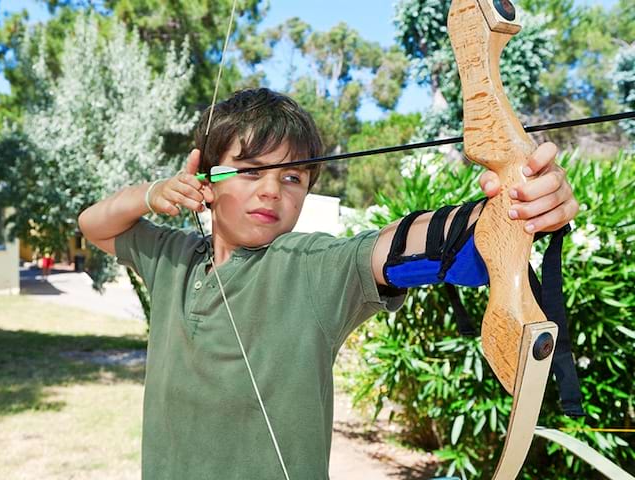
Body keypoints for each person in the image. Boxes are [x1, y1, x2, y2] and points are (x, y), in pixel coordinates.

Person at [78, 88, 578, 480]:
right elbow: (94, 223)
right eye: (252, 172)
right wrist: (150, 194)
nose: (272, 189)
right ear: (207, 181)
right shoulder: (172, 255)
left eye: (293, 178)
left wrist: (515, 211)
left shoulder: (312, 266)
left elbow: (408, 247)